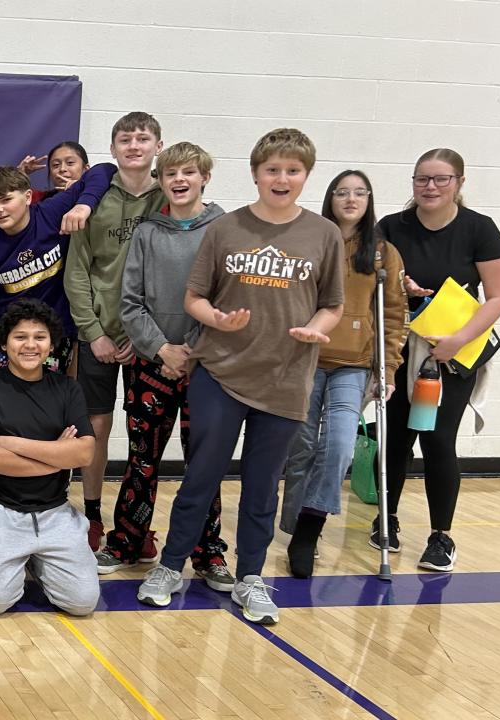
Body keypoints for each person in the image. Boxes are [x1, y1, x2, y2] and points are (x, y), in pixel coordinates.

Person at [137, 128, 344, 626]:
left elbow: (332, 305)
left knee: (261, 484)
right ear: (255, 174)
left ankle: (251, 576)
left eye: (292, 170)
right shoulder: (226, 228)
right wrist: (217, 321)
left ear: (305, 176)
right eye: (272, 169)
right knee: (201, 475)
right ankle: (169, 567)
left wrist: (316, 330)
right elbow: (194, 298)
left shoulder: (324, 234)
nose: (282, 178)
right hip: (221, 372)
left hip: (286, 378)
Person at [95, 143, 233, 590]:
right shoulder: (147, 233)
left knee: (204, 463)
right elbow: (129, 304)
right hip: (150, 364)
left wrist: (192, 350)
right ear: (160, 180)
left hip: (207, 365)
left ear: (204, 177)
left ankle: (207, 552)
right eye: (170, 172)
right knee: (142, 461)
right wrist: (162, 349)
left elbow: (228, 299)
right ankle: (127, 541)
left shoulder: (225, 229)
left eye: (188, 172)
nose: (179, 180)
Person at [377, 149, 500, 573]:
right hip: (400, 348)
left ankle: (441, 537)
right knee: (396, 437)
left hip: (453, 352)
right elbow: (372, 283)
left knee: (436, 440)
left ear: (460, 182)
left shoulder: (479, 229)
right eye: (422, 180)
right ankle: (387, 519)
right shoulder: (391, 227)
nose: (430, 187)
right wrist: (403, 289)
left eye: (440, 179)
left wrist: (457, 340)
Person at [279, 169, 407, 578]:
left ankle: (309, 529)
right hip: (307, 359)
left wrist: (388, 368)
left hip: (353, 364)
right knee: (300, 448)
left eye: (359, 193)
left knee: (338, 448)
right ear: (330, 198)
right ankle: (293, 524)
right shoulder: (313, 239)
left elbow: (393, 314)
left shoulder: (383, 252)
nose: (351, 199)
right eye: (342, 192)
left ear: (369, 201)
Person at [63, 112, 167, 550]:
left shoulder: (171, 197)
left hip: (152, 338)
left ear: (158, 146)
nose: (134, 146)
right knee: (97, 429)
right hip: (100, 338)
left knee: (147, 436)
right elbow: (78, 272)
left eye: (143, 138)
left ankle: (135, 524)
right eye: (125, 139)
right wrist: (93, 333)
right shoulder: (97, 197)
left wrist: (148, 335)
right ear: (114, 148)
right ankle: (92, 516)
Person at [0, 298, 98, 616]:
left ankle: (38, 558)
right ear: (5, 343)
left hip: (53, 510)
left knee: (82, 603)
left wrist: (11, 443)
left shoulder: (67, 389)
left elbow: (85, 452)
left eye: (39, 337)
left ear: (51, 343)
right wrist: (57, 456)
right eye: (20, 337)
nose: (30, 345)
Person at [0, 163, 113, 377]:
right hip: (10, 335)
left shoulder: (51, 212)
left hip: (56, 334)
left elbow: (105, 170)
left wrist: (83, 205)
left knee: (49, 402)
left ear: (28, 197)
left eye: (6, 199)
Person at [18, 140, 90, 202]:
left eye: (70, 163)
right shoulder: (40, 200)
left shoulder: (96, 197)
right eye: (56, 165)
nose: (62, 169)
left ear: (86, 169)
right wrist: (19, 174)